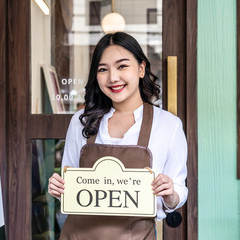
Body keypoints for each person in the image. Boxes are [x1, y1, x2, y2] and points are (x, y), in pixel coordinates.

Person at [48, 32, 188, 239]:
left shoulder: (169, 125)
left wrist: (170, 194)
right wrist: (60, 189)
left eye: (122, 66)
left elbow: (178, 191)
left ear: (141, 69)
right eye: (103, 69)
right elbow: (70, 185)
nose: (113, 77)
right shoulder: (81, 121)